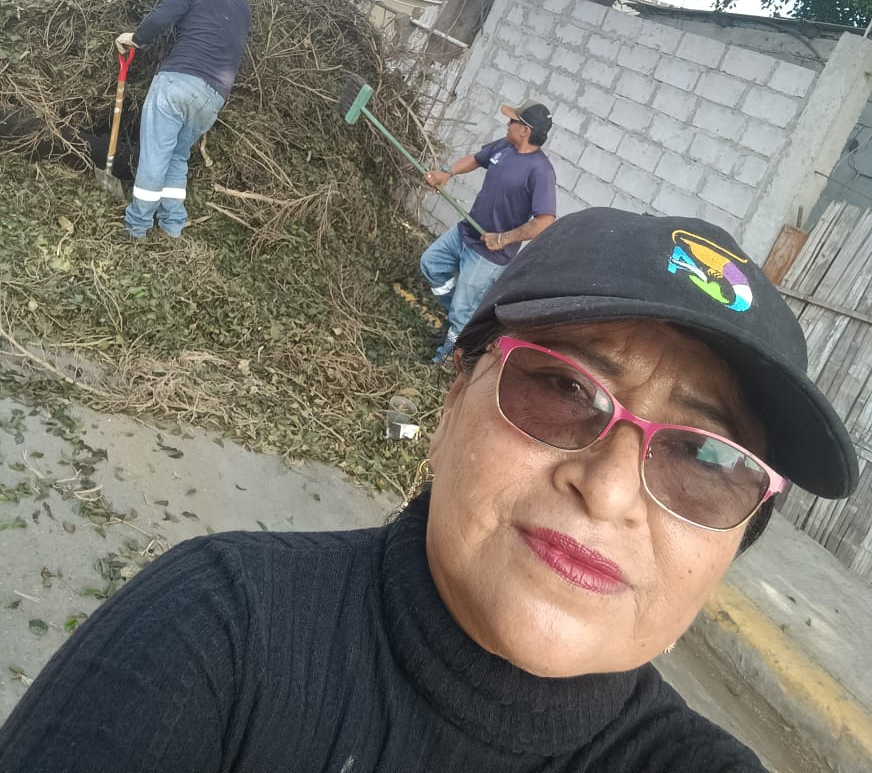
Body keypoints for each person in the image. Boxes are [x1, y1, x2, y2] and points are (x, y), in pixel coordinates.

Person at [0, 207, 857, 771]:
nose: (606, 491)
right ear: (452, 404)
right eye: (563, 389)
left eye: (703, 459)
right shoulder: (215, 634)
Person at [115, 0, 251, 239]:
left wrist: (135, 38)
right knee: (177, 156)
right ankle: (172, 226)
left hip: (177, 83)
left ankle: (137, 226)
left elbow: (160, 19)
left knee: (155, 155)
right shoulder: (243, 5)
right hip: (213, 97)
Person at [421, 99, 557, 363]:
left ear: (525, 130)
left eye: (512, 121)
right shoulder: (505, 146)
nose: (507, 124)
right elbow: (476, 159)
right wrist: (446, 172)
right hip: (466, 232)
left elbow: (545, 221)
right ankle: (461, 318)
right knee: (431, 264)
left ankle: (445, 360)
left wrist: (503, 238)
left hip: (489, 255)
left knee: (462, 312)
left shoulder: (541, 171)